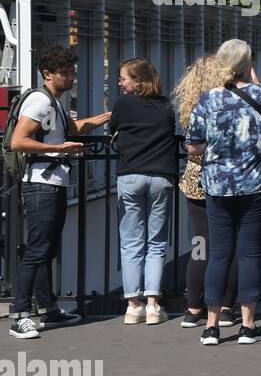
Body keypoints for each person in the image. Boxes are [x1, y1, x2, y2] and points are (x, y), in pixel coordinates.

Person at [185, 39, 261, 347]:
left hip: (218, 187)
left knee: (219, 254)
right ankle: (248, 326)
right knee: (249, 254)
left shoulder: (208, 99)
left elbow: (193, 144)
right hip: (255, 185)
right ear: (248, 65)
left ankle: (211, 327)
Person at [6, 45, 110, 339]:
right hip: (41, 184)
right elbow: (19, 141)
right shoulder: (40, 102)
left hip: (52, 183)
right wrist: (58, 149)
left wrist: (103, 118)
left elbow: (70, 129)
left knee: (46, 250)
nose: (72, 77)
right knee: (37, 250)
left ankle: (49, 310)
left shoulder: (53, 102)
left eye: (73, 71)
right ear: (47, 74)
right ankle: (20, 314)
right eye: (66, 73)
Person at [110, 58, 177, 325]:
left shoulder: (122, 103)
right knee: (157, 244)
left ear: (138, 81)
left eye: (123, 77)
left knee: (131, 243)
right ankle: (153, 304)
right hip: (161, 176)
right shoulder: (166, 105)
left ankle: (132, 305)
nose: (120, 82)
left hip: (130, 175)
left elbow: (114, 129)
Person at [173, 56, 238, 330]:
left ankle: (193, 308)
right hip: (226, 178)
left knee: (199, 244)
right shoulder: (230, 102)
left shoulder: (189, 106)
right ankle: (224, 307)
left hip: (196, 178)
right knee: (230, 245)